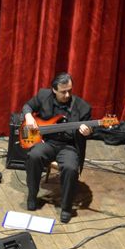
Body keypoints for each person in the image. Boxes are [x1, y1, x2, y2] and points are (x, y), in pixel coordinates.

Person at [22, 72, 92, 223]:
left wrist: (87, 131)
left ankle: (66, 207)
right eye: (63, 91)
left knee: (70, 168)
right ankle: (32, 195)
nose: (67, 95)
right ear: (54, 90)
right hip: (47, 142)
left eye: (70, 91)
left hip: (69, 146)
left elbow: (91, 130)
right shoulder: (43, 95)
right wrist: (28, 116)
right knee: (33, 156)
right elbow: (27, 106)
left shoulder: (83, 107)